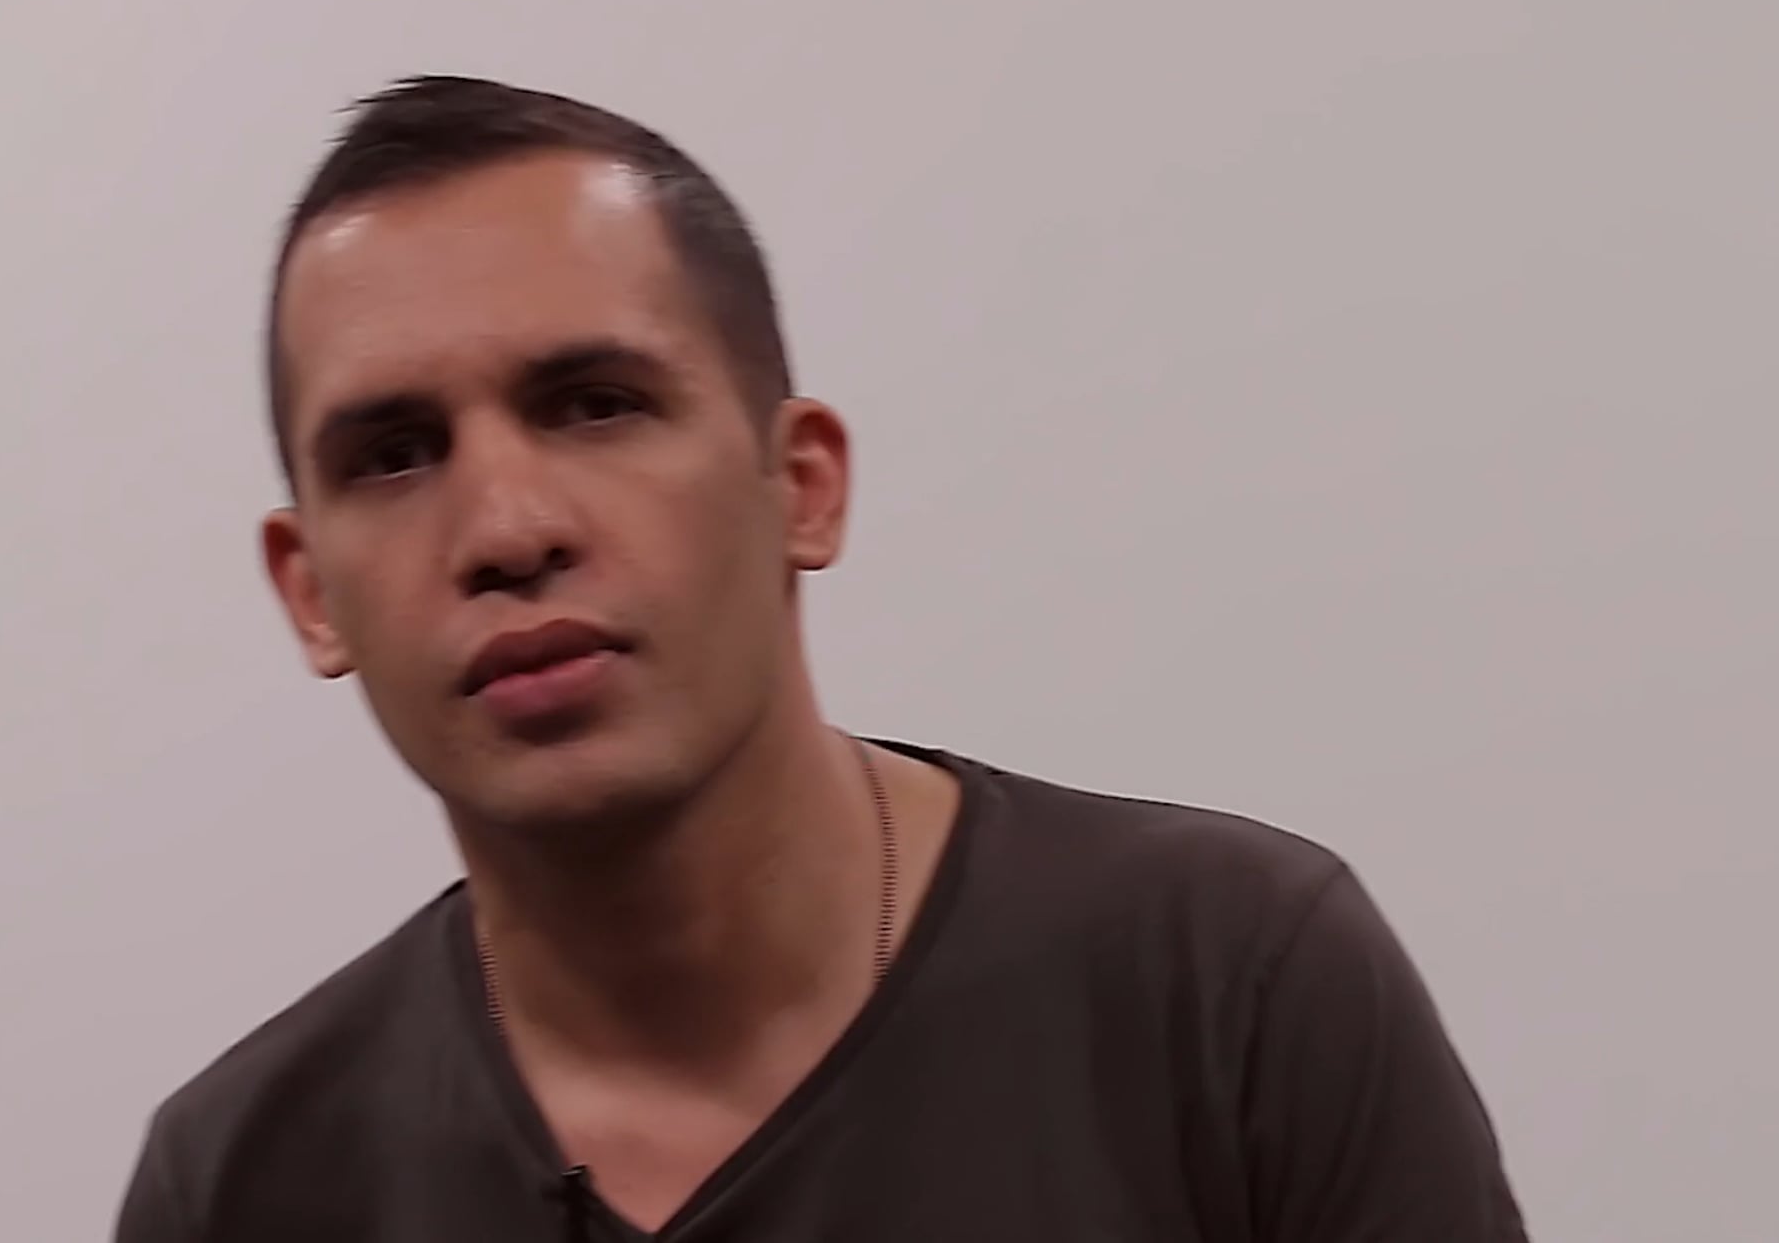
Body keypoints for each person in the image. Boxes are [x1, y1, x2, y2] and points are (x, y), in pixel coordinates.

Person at [113, 74, 1530, 1242]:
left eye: (594, 404)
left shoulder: (1228, 989)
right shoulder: (239, 1185)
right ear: (311, 593)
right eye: (393, 455)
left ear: (802, 486)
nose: (507, 527)